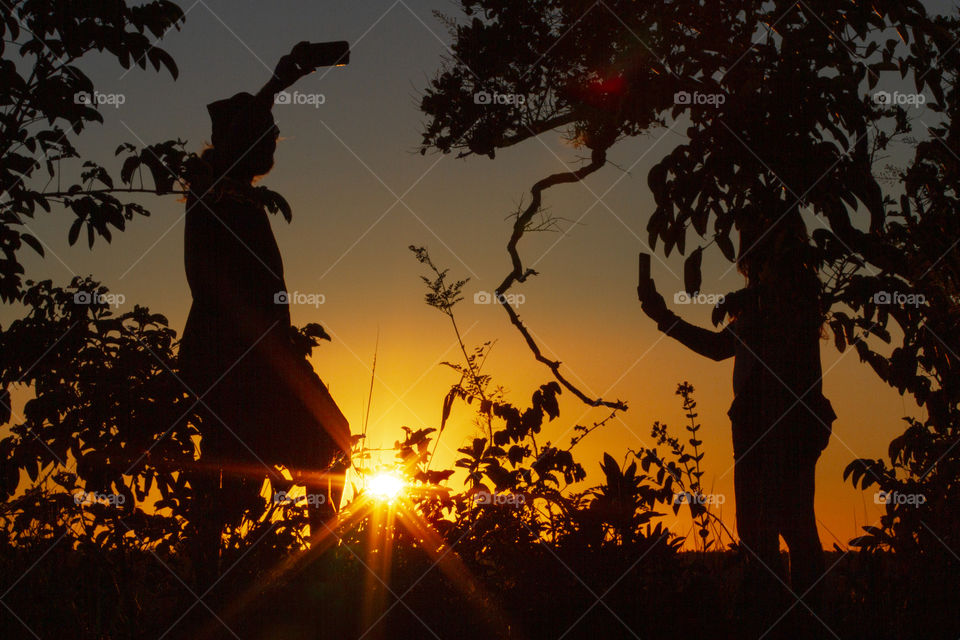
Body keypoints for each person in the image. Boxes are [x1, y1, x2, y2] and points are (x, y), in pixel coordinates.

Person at [178, 44, 352, 588]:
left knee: (249, 469)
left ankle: (233, 580)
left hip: (250, 358)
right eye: (266, 132)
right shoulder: (215, 191)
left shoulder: (234, 195)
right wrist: (280, 78)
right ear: (243, 142)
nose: (275, 137)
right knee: (318, 445)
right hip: (239, 361)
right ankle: (320, 574)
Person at [638, 215, 834, 635]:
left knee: (776, 531)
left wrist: (664, 317)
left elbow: (720, 347)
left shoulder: (777, 297)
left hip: (772, 423)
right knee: (784, 528)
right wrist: (663, 316)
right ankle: (798, 621)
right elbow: (720, 347)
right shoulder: (778, 296)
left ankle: (786, 622)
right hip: (774, 423)